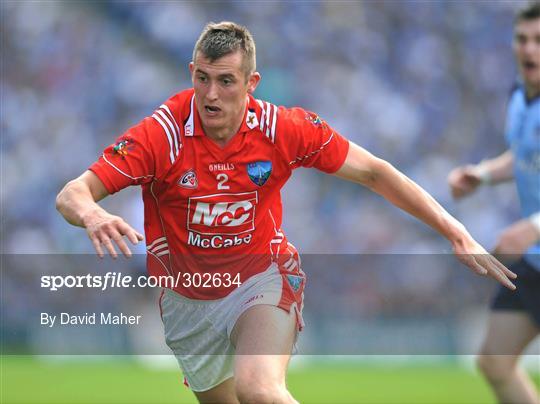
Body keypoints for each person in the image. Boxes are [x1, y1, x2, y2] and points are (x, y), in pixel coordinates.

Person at [57, 21, 516, 404]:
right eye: (202, 78)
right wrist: (93, 215)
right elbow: (73, 193)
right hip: (186, 300)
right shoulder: (162, 134)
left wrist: (455, 231)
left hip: (263, 277)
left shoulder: (284, 128)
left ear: (251, 83)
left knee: (261, 391)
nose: (211, 94)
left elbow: (375, 172)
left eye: (226, 81)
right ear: (191, 73)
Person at [448, 3, 540, 403]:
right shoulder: (520, 94)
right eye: (522, 39)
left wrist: (534, 226)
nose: (530, 50)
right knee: (494, 361)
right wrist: (482, 174)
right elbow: (522, 154)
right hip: (535, 260)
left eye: (539, 41)